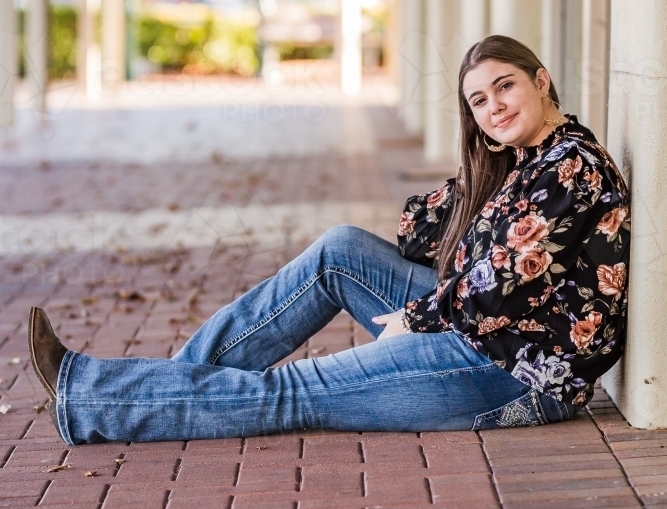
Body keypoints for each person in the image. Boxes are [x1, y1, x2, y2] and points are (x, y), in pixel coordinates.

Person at [29, 35, 630, 445]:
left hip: (514, 368)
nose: (494, 107)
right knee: (339, 250)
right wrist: (481, 177)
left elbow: (498, 291)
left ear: (541, 80)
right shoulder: (526, 159)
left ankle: (97, 399)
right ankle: (173, 389)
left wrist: (416, 319)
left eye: (506, 88)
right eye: (479, 101)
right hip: (482, 326)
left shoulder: (568, 168)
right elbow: (417, 228)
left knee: (294, 391)